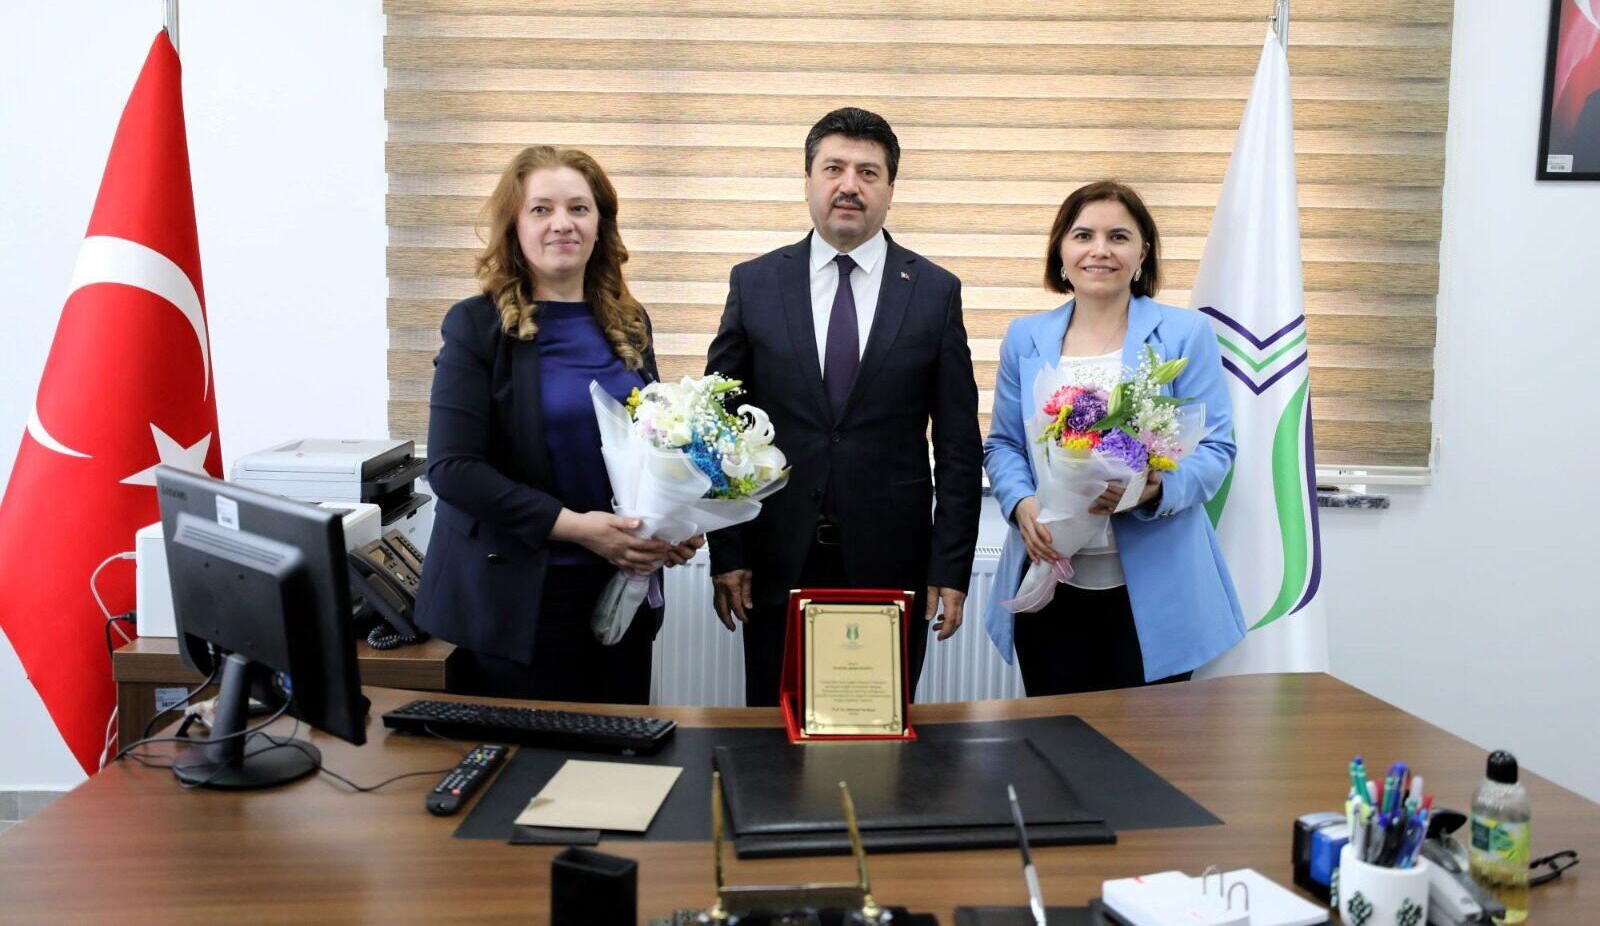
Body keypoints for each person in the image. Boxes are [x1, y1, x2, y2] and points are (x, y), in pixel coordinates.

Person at [704, 107, 983, 706]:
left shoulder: (935, 292)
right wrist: (726, 551)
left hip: (891, 564)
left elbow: (958, 443)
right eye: (833, 168)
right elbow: (718, 427)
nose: (849, 185)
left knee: (876, 740)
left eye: (868, 172)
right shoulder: (755, 284)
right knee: (772, 738)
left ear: (890, 189)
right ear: (808, 180)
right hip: (774, 561)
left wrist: (950, 566)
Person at [415, 145, 700, 703]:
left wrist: (673, 525)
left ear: (600, 225)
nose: (562, 223)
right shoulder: (475, 326)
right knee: (527, 760)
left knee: (619, 753)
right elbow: (452, 469)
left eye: (578, 208)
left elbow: (656, 443)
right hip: (518, 602)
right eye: (541, 209)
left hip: (621, 590)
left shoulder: (630, 322)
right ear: (515, 227)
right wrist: (581, 529)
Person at [982, 180, 1246, 696]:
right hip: (1051, 582)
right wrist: (1021, 503)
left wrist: (1154, 488)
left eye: (1118, 237)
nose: (1100, 250)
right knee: (1058, 739)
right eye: (1083, 235)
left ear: (1142, 253)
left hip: (1156, 591)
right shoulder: (1025, 337)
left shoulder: (1184, 334)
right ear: (1061, 250)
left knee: (1147, 742)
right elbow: (1004, 444)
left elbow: (1218, 450)